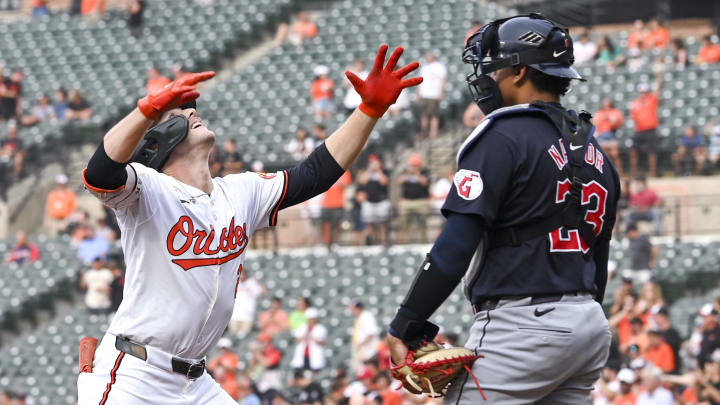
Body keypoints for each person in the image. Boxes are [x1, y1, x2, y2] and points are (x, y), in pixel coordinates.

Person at [77, 45, 422, 404]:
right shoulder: (147, 191)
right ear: (157, 144)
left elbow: (314, 175)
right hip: (135, 375)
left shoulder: (241, 192)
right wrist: (146, 110)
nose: (192, 113)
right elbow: (100, 172)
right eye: (178, 114)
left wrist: (368, 111)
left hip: (196, 381)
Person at [387, 14, 619, 404]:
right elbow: (600, 257)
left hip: (524, 327)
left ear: (519, 71)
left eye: (493, 68)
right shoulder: (596, 152)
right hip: (589, 326)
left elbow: (454, 248)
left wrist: (406, 323)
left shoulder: (502, 134)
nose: (486, 78)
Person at [629, 77, 662, 178]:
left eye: (645, 91)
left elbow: (658, 89)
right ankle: (634, 173)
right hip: (639, 130)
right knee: (633, 151)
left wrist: (659, 75)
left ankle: (653, 173)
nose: (643, 93)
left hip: (650, 130)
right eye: (642, 92)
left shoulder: (652, 99)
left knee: (652, 152)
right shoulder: (635, 102)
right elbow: (632, 116)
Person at [357, 155, 391, 245]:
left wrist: (378, 170)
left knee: (383, 222)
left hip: (381, 201)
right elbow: (362, 181)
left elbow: (384, 182)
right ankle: (372, 241)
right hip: (369, 201)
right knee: (369, 222)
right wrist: (370, 170)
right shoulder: (367, 172)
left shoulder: (385, 172)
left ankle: (384, 241)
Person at [398, 154, 430, 243]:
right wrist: (409, 173)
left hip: (421, 201)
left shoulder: (424, 172)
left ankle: (423, 242)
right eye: (412, 165)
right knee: (405, 224)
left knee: (422, 224)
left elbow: (424, 182)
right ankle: (406, 242)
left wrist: (417, 173)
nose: (413, 167)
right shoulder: (405, 172)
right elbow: (400, 181)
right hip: (407, 201)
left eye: (415, 165)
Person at [417, 52, 447, 139]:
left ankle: (433, 133)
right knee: (424, 114)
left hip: (434, 94)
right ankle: (424, 132)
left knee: (434, 114)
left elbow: (443, 79)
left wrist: (441, 92)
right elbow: (420, 81)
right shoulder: (424, 67)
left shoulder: (439, 66)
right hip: (424, 94)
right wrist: (418, 93)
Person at [321, 170, 352, 249]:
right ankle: (326, 244)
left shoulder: (345, 171)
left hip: (338, 203)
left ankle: (335, 243)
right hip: (326, 203)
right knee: (326, 226)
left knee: (337, 225)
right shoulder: (326, 170)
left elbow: (345, 184)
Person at [230, 272, 265, 338]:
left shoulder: (252, 284)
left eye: (243, 274)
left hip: (247, 317)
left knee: (245, 338)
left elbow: (264, 292)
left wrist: (258, 282)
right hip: (234, 316)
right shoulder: (235, 283)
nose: (242, 276)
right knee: (233, 338)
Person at [593, 98, 624, 174]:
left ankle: (620, 172)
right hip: (602, 135)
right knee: (604, 156)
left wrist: (612, 121)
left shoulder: (615, 112)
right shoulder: (599, 113)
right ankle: (605, 172)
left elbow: (619, 122)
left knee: (615, 154)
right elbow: (595, 122)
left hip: (612, 134)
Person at [350, 302, 380, 373]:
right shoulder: (360, 318)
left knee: (373, 371)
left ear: (357, 308)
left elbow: (370, 334)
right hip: (365, 352)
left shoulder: (366, 316)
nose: (352, 311)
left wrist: (360, 345)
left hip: (370, 351)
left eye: (353, 309)